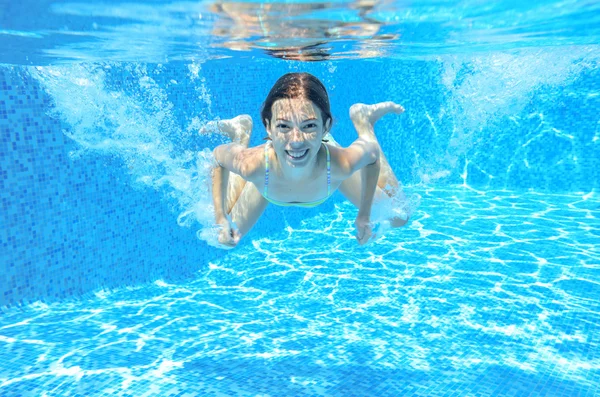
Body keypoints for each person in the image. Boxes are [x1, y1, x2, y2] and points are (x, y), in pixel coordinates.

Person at [212, 72, 410, 248]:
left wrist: (364, 214)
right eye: (283, 126)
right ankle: (241, 132)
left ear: (326, 126)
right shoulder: (253, 164)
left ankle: (363, 121)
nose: (296, 140)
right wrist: (221, 217)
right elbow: (218, 158)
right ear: (268, 126)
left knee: (399, 215)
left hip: (322, 161)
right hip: (269, 177)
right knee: (223, 237)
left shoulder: (340, 164)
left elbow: (372, 155)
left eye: (309, 126)